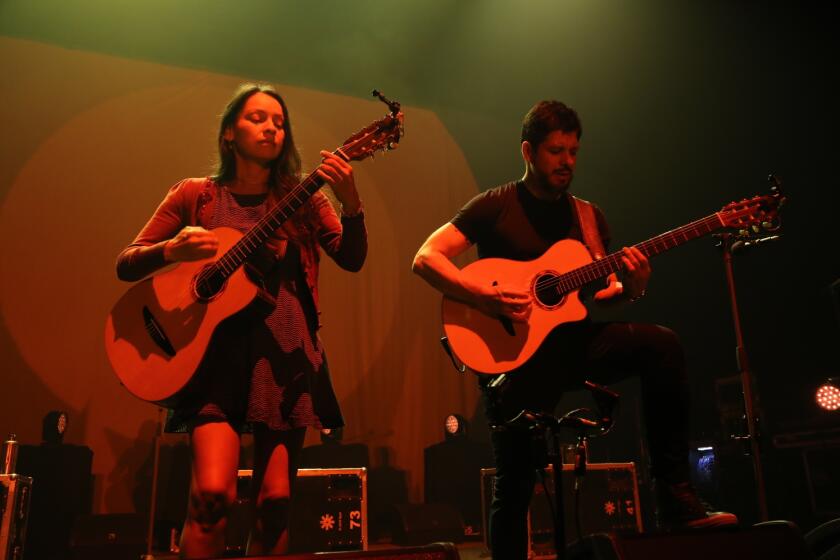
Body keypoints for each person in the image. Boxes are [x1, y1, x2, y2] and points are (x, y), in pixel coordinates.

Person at [412, 100, 737, 559]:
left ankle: (675, 497)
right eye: (555, 151)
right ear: (528, 151)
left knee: (661, 345)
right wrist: (479, 295)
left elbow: (600, 293)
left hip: (571, 346)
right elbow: (425, 257)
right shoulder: (495, 204)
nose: (566, 162)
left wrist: (631, 288)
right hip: (515, 358)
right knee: (516, 484)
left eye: (573, 151)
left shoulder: (588, 217)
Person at [115, 84, 367, 557]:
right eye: (257, 118)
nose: (271, 127)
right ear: (230, 132)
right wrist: (172, 249)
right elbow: (126, 261)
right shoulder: (196, 195)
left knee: (276, 503)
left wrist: (350, 201)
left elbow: (351, 258)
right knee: (212, 497)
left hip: (285, 354)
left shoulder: (304, 198)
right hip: (212, 359)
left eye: (279, 121)